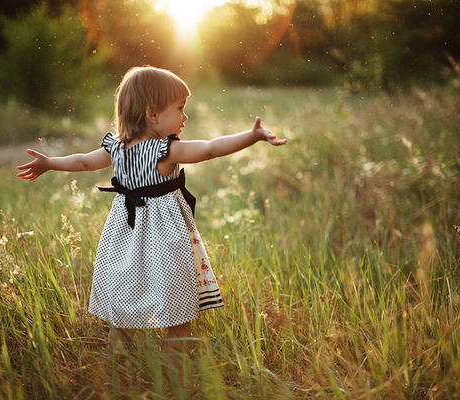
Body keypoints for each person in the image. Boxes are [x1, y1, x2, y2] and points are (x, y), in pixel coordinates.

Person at [16, 66, 286, 360]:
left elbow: (82, 162)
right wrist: (252, 135)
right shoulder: (164, 150)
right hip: (165, 239)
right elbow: (210, 149)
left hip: (124, 237)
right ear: (153, 114)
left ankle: (115, 372)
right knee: (178, 313)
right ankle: (174, 376)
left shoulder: (115, 148)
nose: (185, 117)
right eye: (180, 108)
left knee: (122, 308)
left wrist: (50, 163)